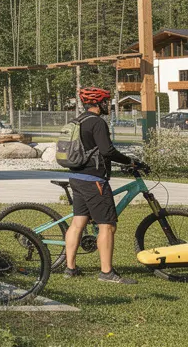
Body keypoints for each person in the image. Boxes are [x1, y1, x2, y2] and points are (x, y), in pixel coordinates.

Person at [62, 86, 145, 284]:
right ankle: (106, 272)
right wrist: (130, 161)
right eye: (106, 102)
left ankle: (70, 268)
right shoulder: (97, 122)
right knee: (107, 226)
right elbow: (107, 151)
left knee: (77, 224)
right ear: (98, 103)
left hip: (77, 178)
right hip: (94, 181)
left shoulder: (78, 121)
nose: (108, 105)